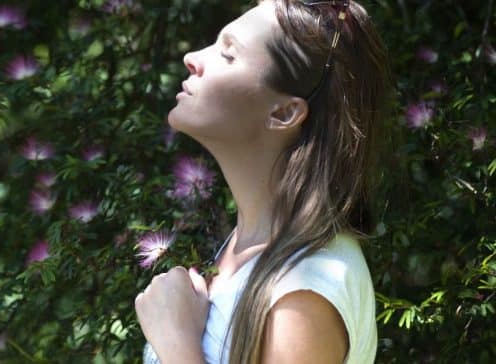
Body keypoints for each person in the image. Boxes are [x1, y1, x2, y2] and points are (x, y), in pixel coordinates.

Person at [134, 0, 393, 363]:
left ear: (284, 112)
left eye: (228, 54)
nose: (193, 57)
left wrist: (176, 343)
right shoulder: (244, 251)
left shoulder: (305, 288)